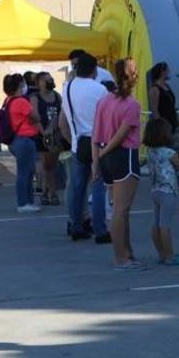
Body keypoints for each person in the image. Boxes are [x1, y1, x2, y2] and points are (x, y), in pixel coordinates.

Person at [94, 58, 145, 270]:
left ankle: (127, 252)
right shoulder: (132, 105)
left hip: (107, 157)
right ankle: (121, 257)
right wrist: (104, 153)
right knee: (121, 211)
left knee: (120, 210)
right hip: (123, 156)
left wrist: (97, 160)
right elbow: (121, 135)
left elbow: (95, 134)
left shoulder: (104, 101)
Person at [59, 54, 111, 243]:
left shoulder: (68, 88)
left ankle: (76, 226)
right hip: (99, 143)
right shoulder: (100, 90)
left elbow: (64, 118)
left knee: (77, 187)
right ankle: (100, 229)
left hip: (77, 143)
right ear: (94, 69)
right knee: (97, 187)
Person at [144, 117, 179, 265]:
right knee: (165, 225)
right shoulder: (168, 153)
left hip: (155, 190)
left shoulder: (150, 152)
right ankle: (170, 256)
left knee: (156, 224)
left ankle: (162, 254)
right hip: (168, 191)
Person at [0, 74, 41, 212]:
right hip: (25, 138)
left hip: (16, 139)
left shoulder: (8, 100)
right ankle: (23, 203)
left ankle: (28, 201)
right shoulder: (21, 101)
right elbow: (36, 116)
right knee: (25, 173)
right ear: (19, 85)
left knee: (27, 172)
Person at [31, 72, 63, 206]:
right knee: (47, 164)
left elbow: (62, 114)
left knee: (52, 165)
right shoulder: (35, 97)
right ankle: (53, 194)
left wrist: (54, 128)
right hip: (42, 135)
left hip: (56, 135)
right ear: (39, 83)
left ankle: (45, 193)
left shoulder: (57, 96)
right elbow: (35, 117)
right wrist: (44, 132)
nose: (50, 80)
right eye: (46, 79)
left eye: (50, 78)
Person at [147, 61, 178, 137]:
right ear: (162, 72)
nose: (169, 72)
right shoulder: (155, 89)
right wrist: (161, 128)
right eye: (167, 70)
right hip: (164, 128)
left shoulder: (167, 86)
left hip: (173, 125)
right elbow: (154, 110)